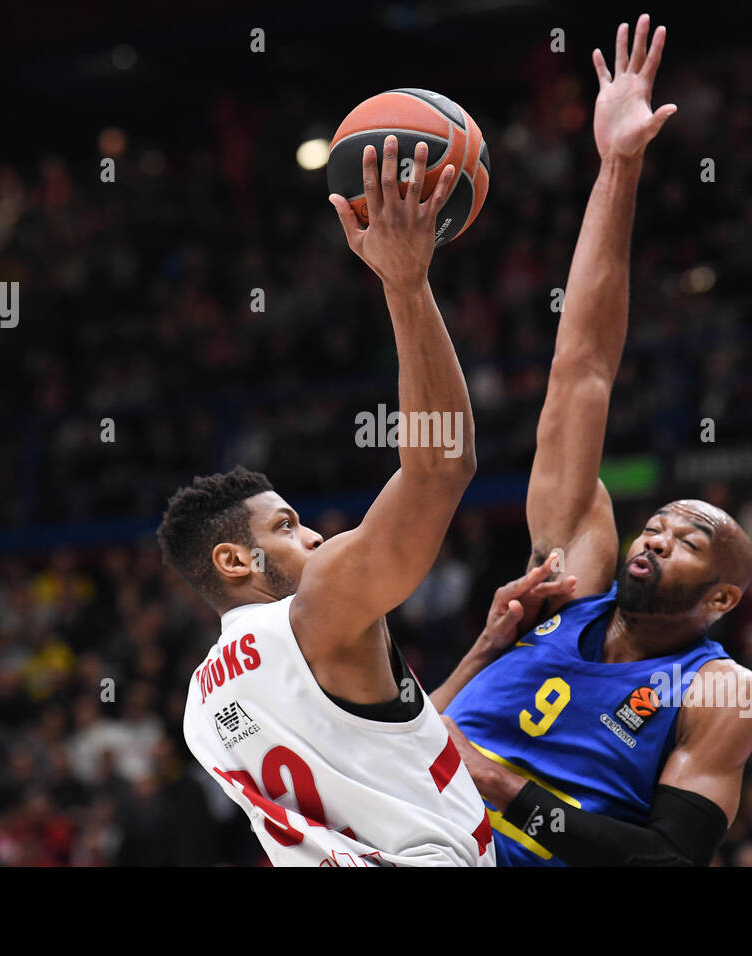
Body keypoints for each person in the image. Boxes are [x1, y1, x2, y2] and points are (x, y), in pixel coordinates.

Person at [434, 16, 752, 867]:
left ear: (722, 600)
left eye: (691, 541)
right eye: (661, 522)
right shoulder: (562, 582)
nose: (658, 533)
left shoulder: (719, 691)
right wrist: (618, 167)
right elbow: (580, 367)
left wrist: (507, 793)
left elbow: (666, 862)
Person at [164, 137, 526, 865]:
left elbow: (380, 744)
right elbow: (440, 468)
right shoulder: (317, 608)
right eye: (288, 526)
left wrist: (482, 651)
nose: (319, 540)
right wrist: (406, 284)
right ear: (234, 558)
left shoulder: (202, 711)